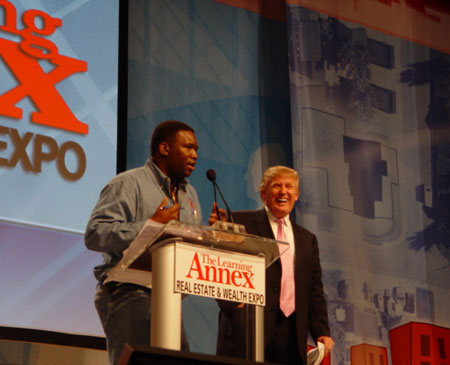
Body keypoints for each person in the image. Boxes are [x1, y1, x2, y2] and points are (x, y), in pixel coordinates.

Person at [84, 120, 203, 365]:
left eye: (196, 149)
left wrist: (213, 233)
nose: (195, 155)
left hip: (167, 295)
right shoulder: (128, 183)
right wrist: (150, 225)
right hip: (127, 291)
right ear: (164, 148)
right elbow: (95, 234)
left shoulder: (189, 194)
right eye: (188, 148)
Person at [215, 166, 334, 364]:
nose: (283, 191)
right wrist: (234, 306)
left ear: (296, 195)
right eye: (277, 186)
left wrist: (321, 331)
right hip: (248, 328)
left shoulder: (307, 239)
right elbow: (221, 269)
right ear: (263, 193)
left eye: (289, 187)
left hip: (291, 333)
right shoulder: (239, 222)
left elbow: (314, 290)